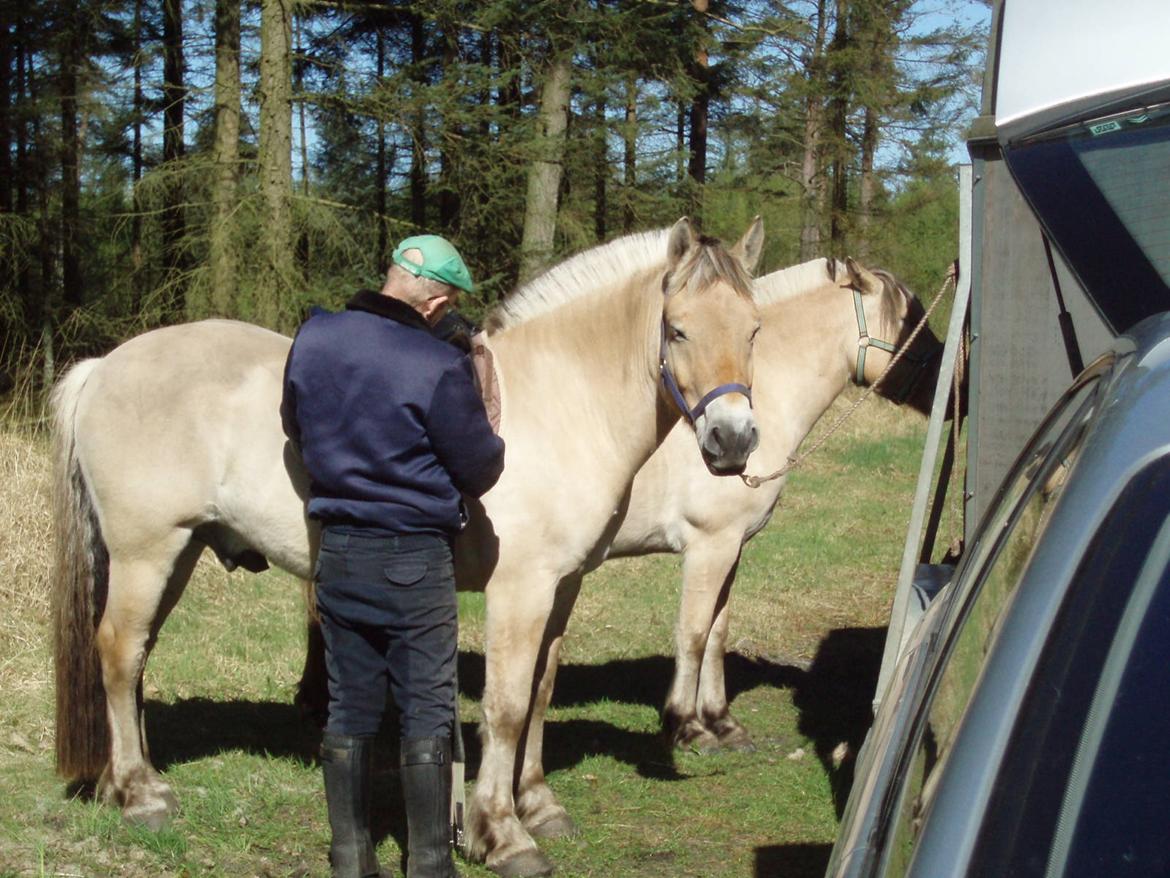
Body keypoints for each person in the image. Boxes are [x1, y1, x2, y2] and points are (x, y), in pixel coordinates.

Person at [281, 235, 505, 878]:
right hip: (413, 555)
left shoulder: (314, 338)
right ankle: (429, 862)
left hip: (340, 552)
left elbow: (295, 425)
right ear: (436, 301)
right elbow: (479, 467)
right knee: (428, 707)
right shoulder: (434, 365)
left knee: (350, 705)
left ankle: (351, 857)